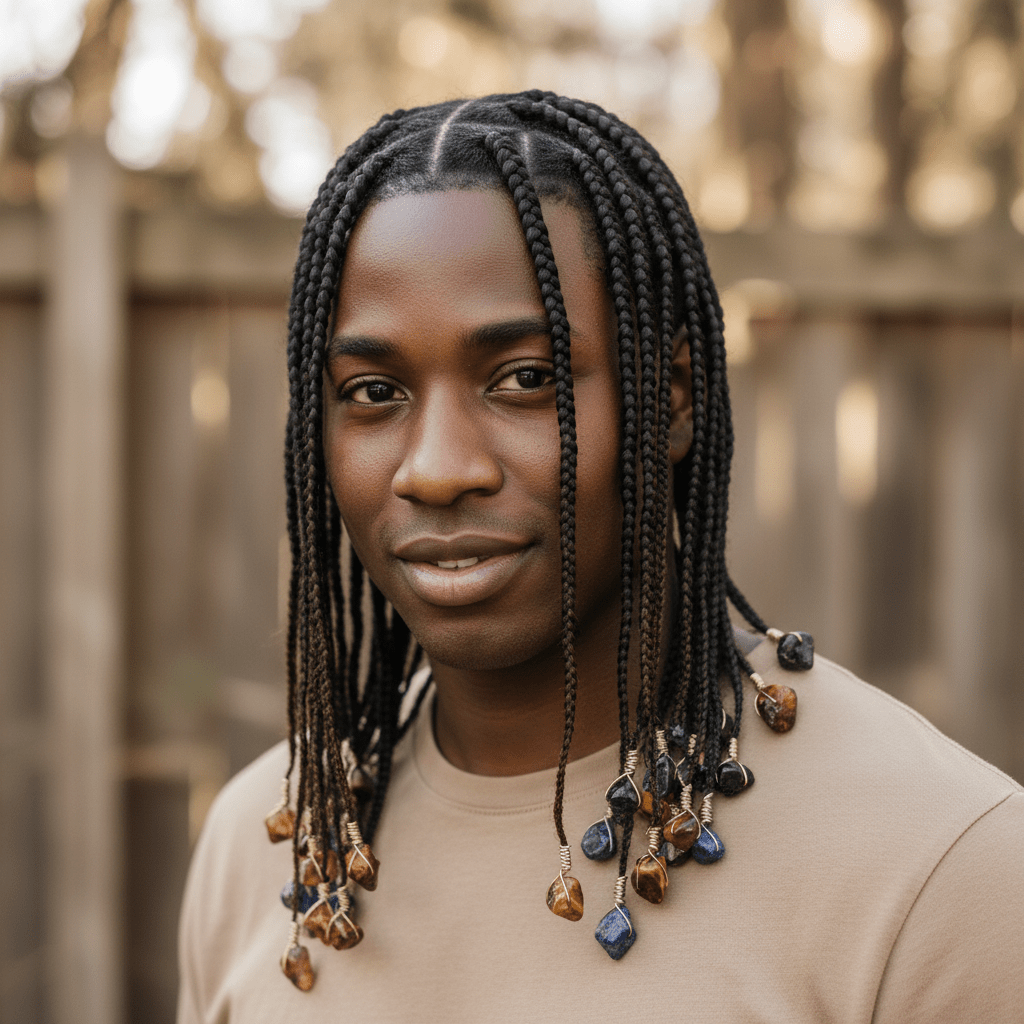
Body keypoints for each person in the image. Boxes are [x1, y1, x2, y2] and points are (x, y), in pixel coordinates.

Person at [176, 92, 1023, 1023]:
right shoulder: (265, 842)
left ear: (671, 396)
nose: (438, 469)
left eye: (525, 379)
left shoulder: (942, 867)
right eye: (373, 391)